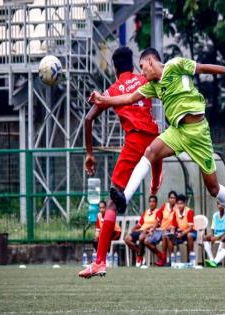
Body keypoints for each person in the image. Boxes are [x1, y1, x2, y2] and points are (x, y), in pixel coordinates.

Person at [89, 48, 225, 243]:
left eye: (143, 67)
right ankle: (124, 198)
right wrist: (103, 100)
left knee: (213, 189)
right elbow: (128, 98)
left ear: (151, 61)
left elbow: (203, 68)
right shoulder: (152, 86)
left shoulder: (175, 65)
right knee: (150, 152)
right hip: (177, 131)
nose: (142, 72)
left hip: (198, 133)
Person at [79, 47, 163, 278]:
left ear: (115, 68)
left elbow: (88, 119)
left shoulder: (113, 89)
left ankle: (99, 262)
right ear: (134, 65)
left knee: (112, 202)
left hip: (135, 141)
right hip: (156, 138)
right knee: (156, 167)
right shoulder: (143, 78)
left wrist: (89, 154)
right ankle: (155, 182)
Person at [124, 195, 165, 267]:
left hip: (150, 231)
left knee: (141, 238)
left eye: (153, 202)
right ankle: (140, 252)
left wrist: (149, 229)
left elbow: (157, 223)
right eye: (150, 202)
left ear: (156, 203)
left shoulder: (158, 212)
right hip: (141, 230)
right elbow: (139, 224)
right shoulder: (146, 212)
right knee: (127, 239)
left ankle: (139, 256)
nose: (152, 203)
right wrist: (133, 228)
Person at [170, 194, 196, 262]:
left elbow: (190, 228)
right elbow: (173, 227)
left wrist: (181, 234)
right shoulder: (175, 212)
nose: (179, 205)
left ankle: (191, 256)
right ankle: (172, 258)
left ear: (184, 204)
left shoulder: (189, 212)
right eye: (178, 204)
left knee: (189, 235)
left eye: (181, 203)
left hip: (192, 232)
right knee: (169, 236)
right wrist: (172, 233)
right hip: (181, 233)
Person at [158, 191, 177, 264]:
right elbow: (158, 217)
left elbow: (177, 222)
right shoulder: (164, 206)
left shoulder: (177, 208)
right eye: (171, 198)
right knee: (164, 235)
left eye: (174, 198)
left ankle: (169, 258)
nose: (172, 199)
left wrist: (171, 228)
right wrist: (153, 228)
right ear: (168, 199)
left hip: (172, 230)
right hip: (162, 230)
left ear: (176, 199)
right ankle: (165, 258)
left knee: (167, 236)